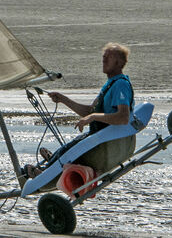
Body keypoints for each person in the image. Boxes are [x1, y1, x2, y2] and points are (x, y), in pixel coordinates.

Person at [24, 43, 136, 179]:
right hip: (99, 137)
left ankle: (43, 174)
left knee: (70, 149)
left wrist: (93, 117)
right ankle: (53, 161)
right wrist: (63, 99)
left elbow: (123, 117)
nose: (104, 60)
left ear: (119, 62)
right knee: (68, 147)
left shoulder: (121, 85)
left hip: (106, 143)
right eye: (103, 56)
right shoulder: (111, 83)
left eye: (109, 57)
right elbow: (89, 111)